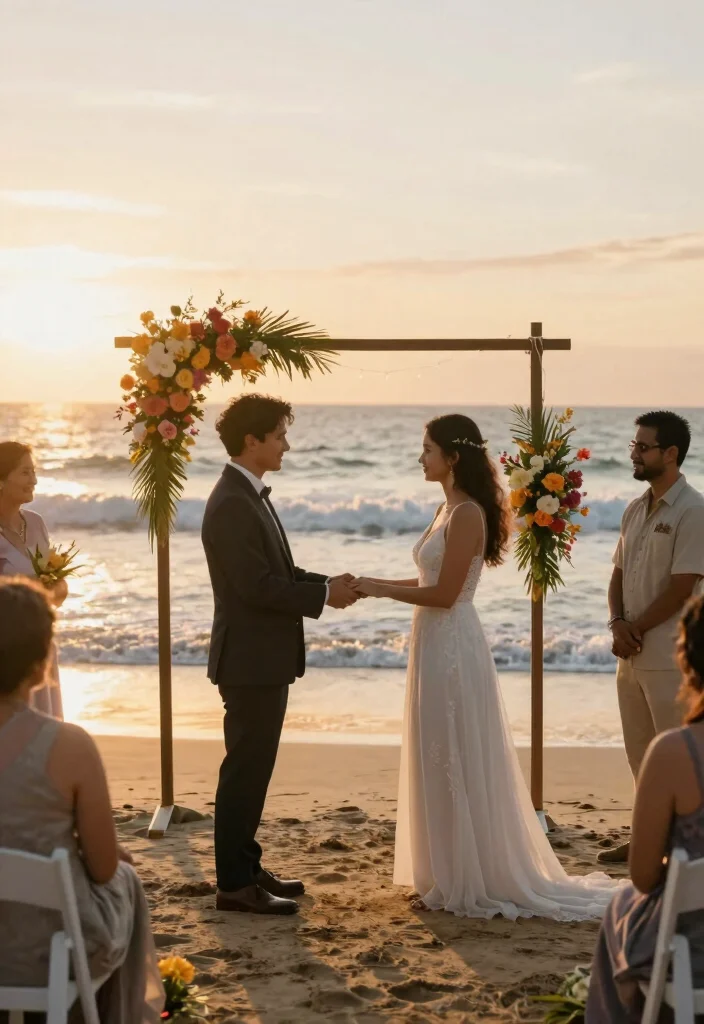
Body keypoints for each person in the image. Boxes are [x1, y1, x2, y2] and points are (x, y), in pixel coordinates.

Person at [352, 413, 622, 919]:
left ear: (452, 458)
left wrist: (377, 589)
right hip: (431, 637)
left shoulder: (468, 514)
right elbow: (427, 580)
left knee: (453, 748)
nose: (420, 457)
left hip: (452, 640)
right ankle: (441, 870)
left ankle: (466, 875)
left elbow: (447, 593)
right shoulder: (446, 508)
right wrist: (372, 581)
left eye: (427, 449)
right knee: (435, 747)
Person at [201, 394, 358, 916]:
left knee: (255, 768)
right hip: (248, 660)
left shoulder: (249, 496)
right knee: (244, 770)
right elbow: (255, 587)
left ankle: (246, 866)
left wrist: (327, 584)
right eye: (280, 436)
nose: (286, 445)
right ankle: (234, 885)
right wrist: (321, 597)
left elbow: (280, 574)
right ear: (253, 441)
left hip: (261, 658)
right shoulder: (230, 502)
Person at [0, 577, 164, 1022]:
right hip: (49, 956)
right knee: (124, 878)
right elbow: (103, 867)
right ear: (40, 665)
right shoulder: (69, 746)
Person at [586, 593, 704, 1022]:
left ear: (687, 662)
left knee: (620, 908)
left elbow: (643, 875)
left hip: (694, 956)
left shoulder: (675, 752)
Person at [602, 411, 704, 865]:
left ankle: (685, 846)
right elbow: (617, 574)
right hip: (630, 655)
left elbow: (683, 587)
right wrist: (616, 623)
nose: (635, 454)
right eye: (634, 445)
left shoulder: (694, 510)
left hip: (669, 656)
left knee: (677, 756)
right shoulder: (634, 507)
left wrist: (635, 628)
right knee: (638, 753)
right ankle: (648, 836)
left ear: (670, 453)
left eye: (644, 447)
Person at [0, 441, 65, 718]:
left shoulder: (36, 523)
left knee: (44, 726)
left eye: (34, 472)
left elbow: (56, 587)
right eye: (25, 473)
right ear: (1, 480)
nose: (34, 480)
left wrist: (57, 589)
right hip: (6, 648)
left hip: (39, 641)